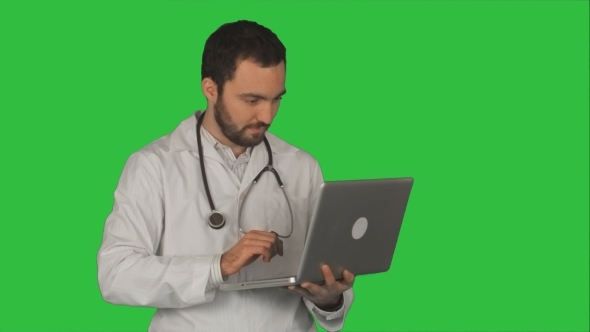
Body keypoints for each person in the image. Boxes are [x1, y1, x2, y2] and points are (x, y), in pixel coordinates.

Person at [97, 20, 355, 332]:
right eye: (252, 100)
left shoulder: (301, 166)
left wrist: (330, 299)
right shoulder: (153, 165)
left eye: (277, 99)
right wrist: (218, 266)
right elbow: (116, 274)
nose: (267, 115)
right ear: (210, 89)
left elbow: (325, 273)